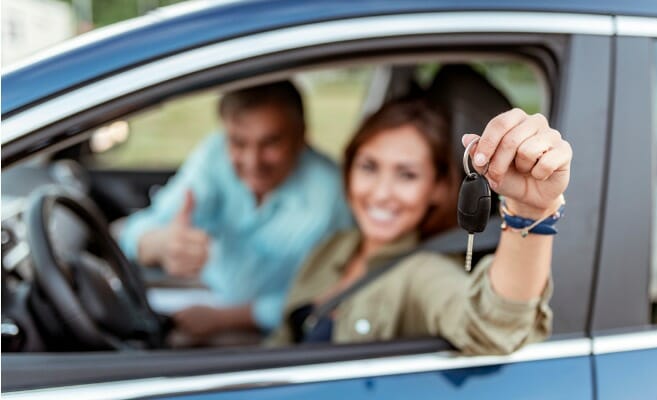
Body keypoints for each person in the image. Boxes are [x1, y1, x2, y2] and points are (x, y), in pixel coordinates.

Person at [268, 97, 571, 355]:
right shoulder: (333, 246)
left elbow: (493, 327)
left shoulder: (424, 273)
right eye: (368, 167)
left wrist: (529, 211)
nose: (380, 193)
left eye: (407, 175)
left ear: (438, 187)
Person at [119, 81, 351, 341]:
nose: (253, 162)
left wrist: (225, 318)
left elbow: (332, 293)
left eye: (270, 143)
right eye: (238, 143)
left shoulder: (332, 197)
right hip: (205, 292)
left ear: (301, 137)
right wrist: (161, 245)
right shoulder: (214, 155)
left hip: (276, 333)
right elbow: (136, 230)